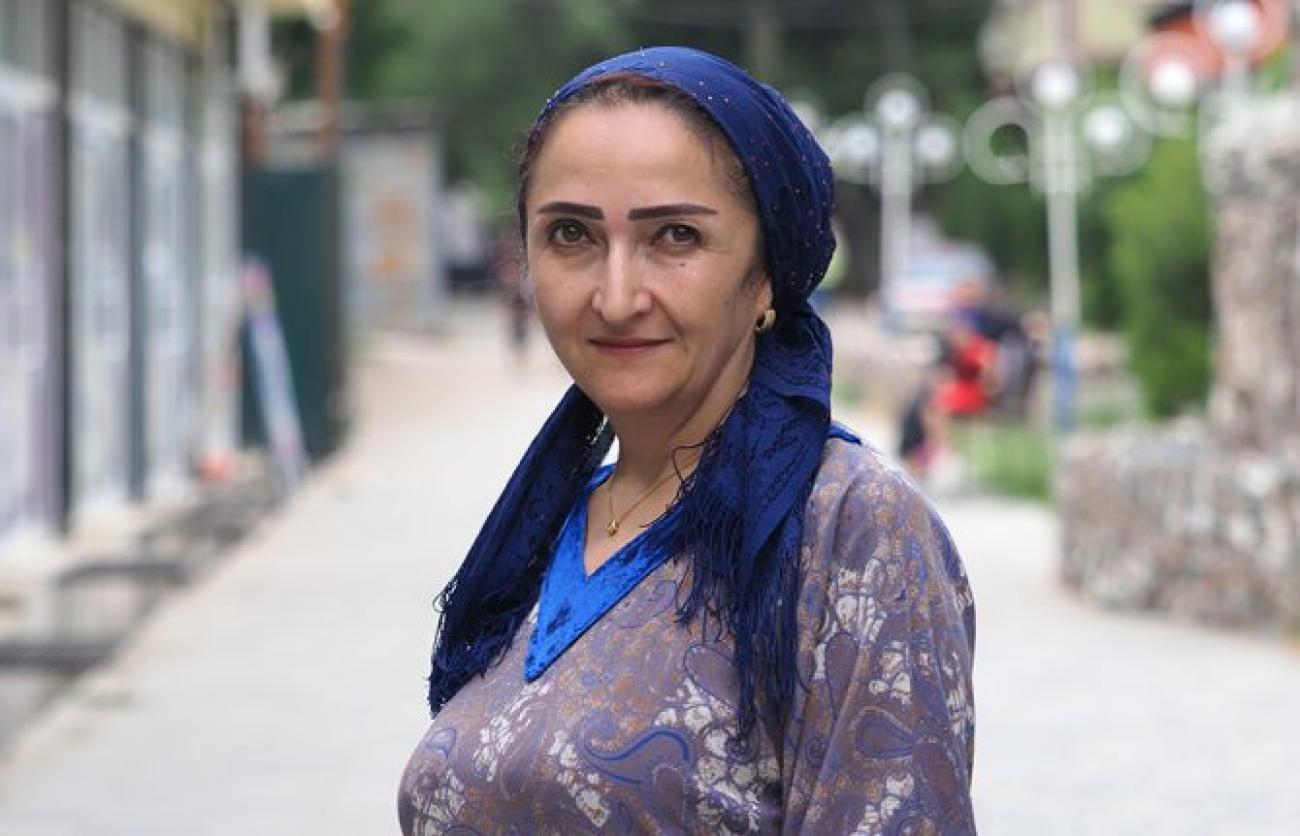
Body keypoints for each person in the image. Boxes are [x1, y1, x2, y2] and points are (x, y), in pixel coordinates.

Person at [399, 47, 976, 834]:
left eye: (674, 236)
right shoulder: (549, 529)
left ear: (767, 271)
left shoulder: (847, 525)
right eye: (571, 234)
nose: (616, 295)